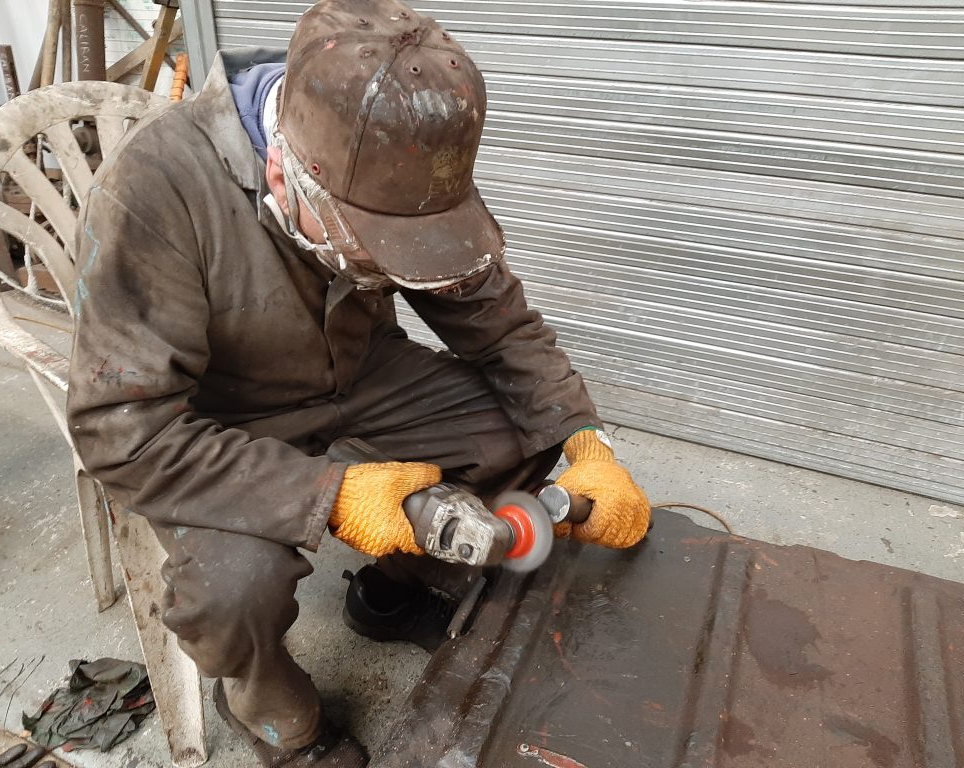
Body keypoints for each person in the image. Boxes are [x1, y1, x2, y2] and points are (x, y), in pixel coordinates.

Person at [66, 0, 651, 765]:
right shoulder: (153, 189)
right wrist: (332, 494)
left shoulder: (396, 157)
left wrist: (585, 440)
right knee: (232, 591)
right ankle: (276, 716)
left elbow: (498, 322)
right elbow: (119, 428)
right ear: (283, 170)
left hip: (361, 372)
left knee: (519, 433)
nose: (391, 267)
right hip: (224, 422)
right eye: (374, 249)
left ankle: (392, 587)